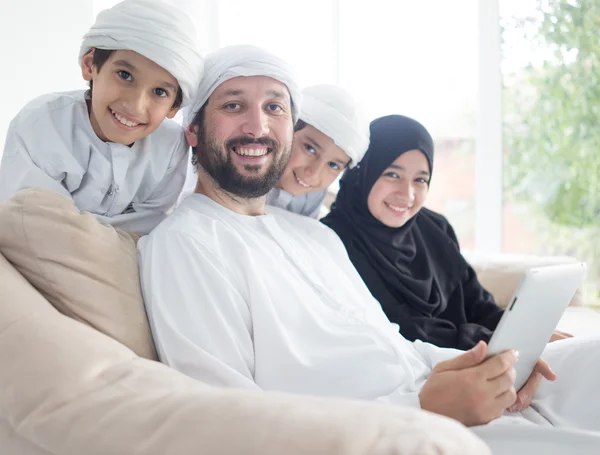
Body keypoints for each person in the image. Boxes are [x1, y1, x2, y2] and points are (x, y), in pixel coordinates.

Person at [138, 44, 600, 444]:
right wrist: (425, 410)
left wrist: (488, 368)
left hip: (444, 399)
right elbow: (229, 422)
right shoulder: (183, 244)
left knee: (588, 356)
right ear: (193, 130)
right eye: (233, 105)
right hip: (394, 433)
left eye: (276, 108)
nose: (258, 126)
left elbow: (397, 345)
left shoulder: (315, 235)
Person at [321, 115, 572, 350]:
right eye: (392, 174)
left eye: (420, 179)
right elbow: (401, 327)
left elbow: (477, 304)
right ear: (361, 173)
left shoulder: (433, 227)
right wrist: (499, 341)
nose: (407, 194)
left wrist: (530, 333)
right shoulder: (332, 240)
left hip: (473, 358)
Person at [0, 0, 204, 234]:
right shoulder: (43, 125)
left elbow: (149, 230)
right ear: (90, 65)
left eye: (159, 92)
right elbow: (33, 224)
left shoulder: (170, 146)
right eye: (125, 75)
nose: (136, 106)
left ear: (173, 108)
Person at [265, 84, 370, 218]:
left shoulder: (313, 192)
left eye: (333, 165)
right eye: (310, 149)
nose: (313, 173)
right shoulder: (243, 174)